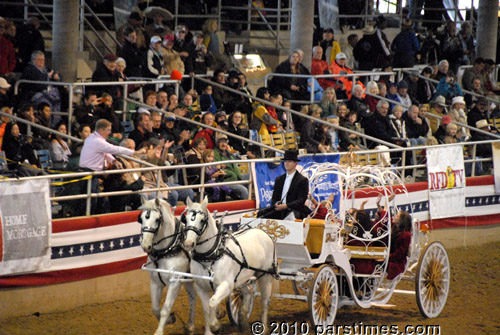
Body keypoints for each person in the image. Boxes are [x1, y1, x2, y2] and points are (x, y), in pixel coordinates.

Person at [79, 119, 145, 213]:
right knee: (89, 200)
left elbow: (104, 152)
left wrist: (113, 160)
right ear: (101, 130)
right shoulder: (97, 141)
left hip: (93, 174)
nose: (110, 133)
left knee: (93, 199)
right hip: (89, 173)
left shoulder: (93, 138)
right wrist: (135, 152)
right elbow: (114, 149)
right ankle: (85, 220)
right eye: (108, 130)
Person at [259, 150, 310, 220]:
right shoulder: (279, 179)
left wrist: (286, 206)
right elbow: (274, 198)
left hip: (294, 209)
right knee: (261, 214)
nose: (286, 163)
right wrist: (276, 204)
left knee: (292, 217)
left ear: (296, 163)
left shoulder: (302, 180)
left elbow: (301, 200)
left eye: (289, 161)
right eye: (285, 161)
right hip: (280, 209)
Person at [387, 210, 413, 280]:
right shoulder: (394, 229)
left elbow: (399, 254)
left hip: (396, 262)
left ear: (402, 220)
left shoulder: (406, 235)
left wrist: (387, 257)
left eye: (397, 216)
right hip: (390, 258)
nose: (395, 217)